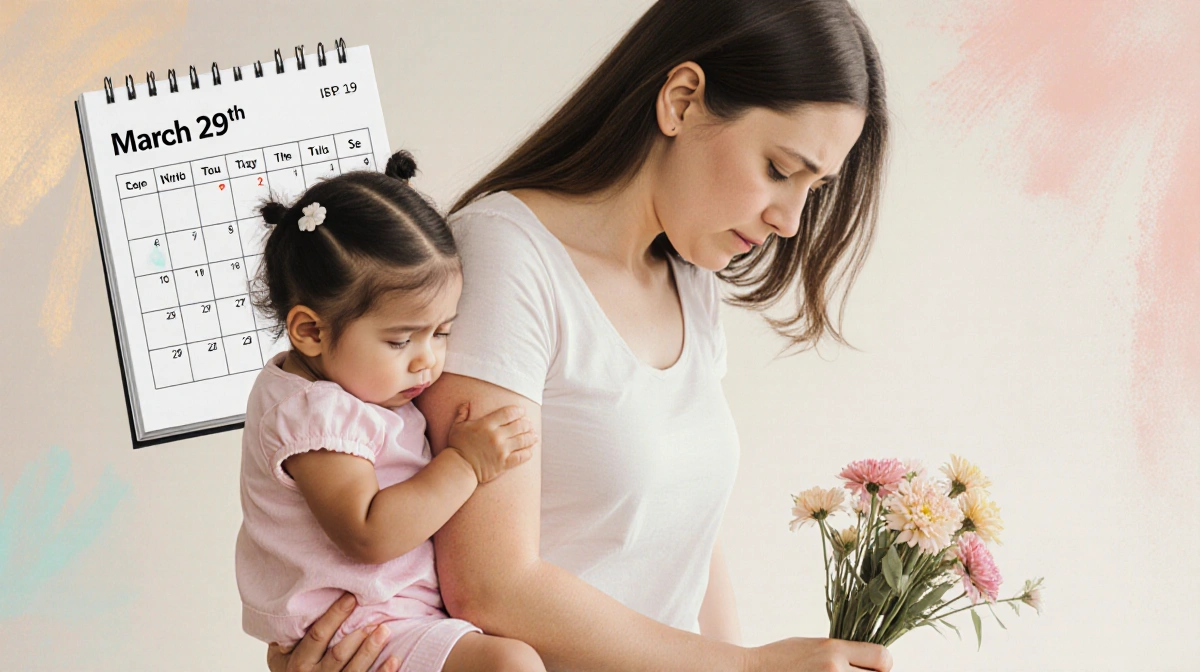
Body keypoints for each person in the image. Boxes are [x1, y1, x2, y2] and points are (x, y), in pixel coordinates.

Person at [269, 0, 893, 669]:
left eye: (815, 186)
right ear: (682, 100)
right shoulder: (508, 256)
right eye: (779, 168)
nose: (792, 219)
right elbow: (492, 586)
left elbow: (689, 550)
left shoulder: (689, 281)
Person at [237, 150, 547, 672]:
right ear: (310, 332)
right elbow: (369, 534)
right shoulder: (314, 415)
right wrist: (465, 464)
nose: (428, 359)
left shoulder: (351, 387)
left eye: (442, 332)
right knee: (509, 665)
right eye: (401, 339)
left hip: (385, 619)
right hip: (361, 632)